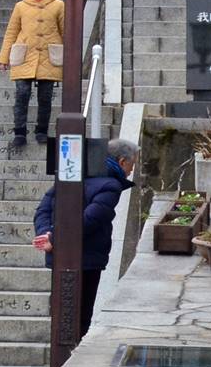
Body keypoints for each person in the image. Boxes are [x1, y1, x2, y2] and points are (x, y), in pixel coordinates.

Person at [33, 139, 137, 337]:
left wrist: (46, 234)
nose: (131, 171)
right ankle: (70, 360)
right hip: (86, 259)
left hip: (60, 256)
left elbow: (43, 210)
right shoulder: (111, 185)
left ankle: (63, 359)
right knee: (80, 317)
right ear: (122, 161)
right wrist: (54, 238)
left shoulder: (70, 176)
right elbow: (91, 219)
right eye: (132, 165)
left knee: (62, 314)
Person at [0, 0, 66, 147]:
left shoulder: (59, 5)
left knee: (45, 96)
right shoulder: (20, 6)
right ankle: (19, 132)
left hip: (49, 56)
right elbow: (11, 32)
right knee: (22, 94)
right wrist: (4, 57)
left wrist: (70, 57)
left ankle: (42, 130)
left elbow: (66, 31)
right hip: (24, 54)